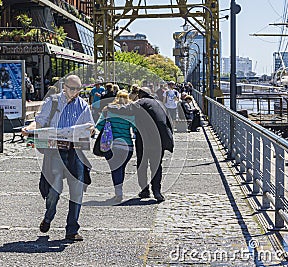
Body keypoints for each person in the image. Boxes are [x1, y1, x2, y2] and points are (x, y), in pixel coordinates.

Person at [22, 75, 94, 241]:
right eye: (72, 88)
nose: (75, 92)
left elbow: (90, 125)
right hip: (54, 151)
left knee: (77, 191)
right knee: (54, 189)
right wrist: (29, 129)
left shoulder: (83, 105)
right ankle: (49, 216)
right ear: (64, 87)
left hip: (75, 151)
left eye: (78, 89)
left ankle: (72, 229)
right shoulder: (53, 102)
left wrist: (90, 130)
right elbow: (39, 122)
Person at [107, 87, 174, 202]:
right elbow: (169, 122)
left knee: (142, 165)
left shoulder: (141, 102)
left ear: (140, 95)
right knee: (157, 166)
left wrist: (110, 107)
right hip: (159, 140)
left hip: (144, 140)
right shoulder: (160, 104)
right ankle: (157, 192)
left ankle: (145, 190)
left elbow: (125, 109)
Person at [95, 90, 136, 203]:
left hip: (112, 146)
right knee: (121, 168)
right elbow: (136, 128)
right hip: (127, 146)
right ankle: (119, 191)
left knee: (115, 169)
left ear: (116, 98)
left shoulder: (108, 110)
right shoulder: (130, 112)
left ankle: (119, 193)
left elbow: (98, 126)